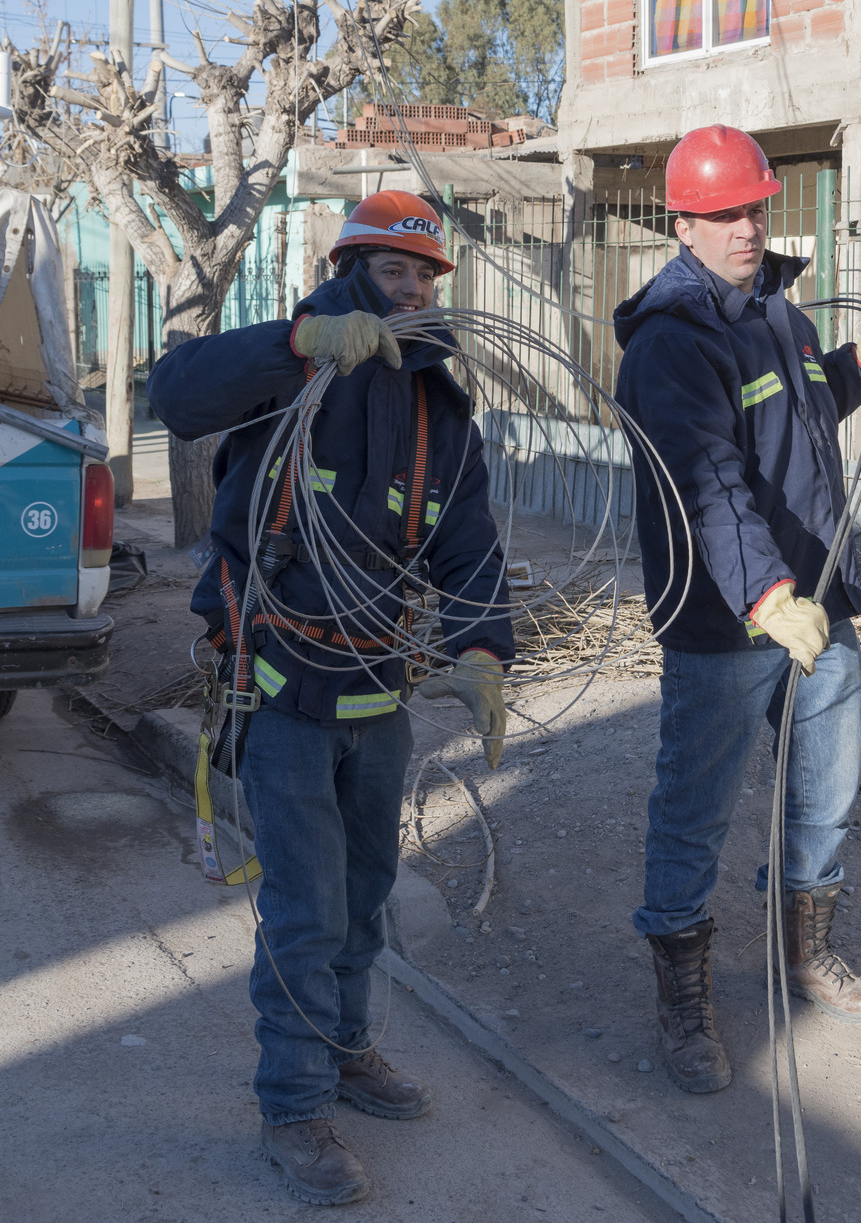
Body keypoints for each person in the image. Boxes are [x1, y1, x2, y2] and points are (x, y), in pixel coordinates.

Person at [148, 191, 513, 1205]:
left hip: (378, 690)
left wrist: (483, 649)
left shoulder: (441, 406)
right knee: (305, 909)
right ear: (350, 268)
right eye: (390, 271)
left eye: (423, 275)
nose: (409, 289)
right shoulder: (292, 369)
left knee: (362, 893)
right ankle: (295, 1106)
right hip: (281, 688)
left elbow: (468, 540)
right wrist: (306, 339)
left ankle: (348, 1049)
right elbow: (174, 392)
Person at [613, 127, 861, 1094]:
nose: (747, 226)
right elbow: (710, 482)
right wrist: (766, 595)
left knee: (826, 788)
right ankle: (683, 1000)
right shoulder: (671, 339)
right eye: (725, 213)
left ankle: (804, 952)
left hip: (817, 599)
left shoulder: (781, 310)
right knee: (695, 806)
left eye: (755, 207)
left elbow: (803, 417)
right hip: (727, 616)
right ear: (682, 222)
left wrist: (856, 364)